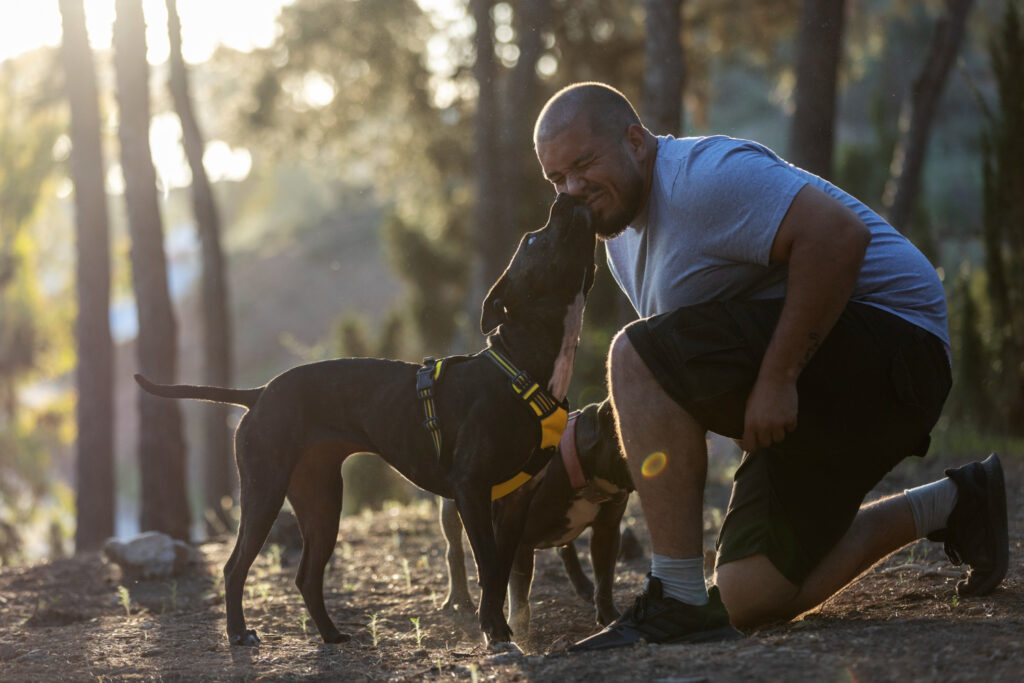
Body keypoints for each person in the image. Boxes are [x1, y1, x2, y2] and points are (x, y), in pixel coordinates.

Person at [533, 82, 1008, 650]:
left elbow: (838, 238)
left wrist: (778, 378)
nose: (572, 191)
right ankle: (955, 501)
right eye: (557, 179)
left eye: (584, 164)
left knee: (633, 352)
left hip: (898, 347)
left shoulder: (703, 177)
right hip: (818, 374)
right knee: (748, 593)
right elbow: (680, 382)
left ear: (635, 141)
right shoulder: (619, 238)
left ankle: (676, 599)